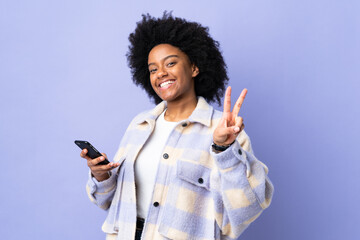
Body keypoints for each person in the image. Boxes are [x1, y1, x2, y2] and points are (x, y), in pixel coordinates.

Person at [80, 12, 274, 240]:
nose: (161, 73)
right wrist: (101, 176)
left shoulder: (224, 131)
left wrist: (224, 150)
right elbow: (108, 201)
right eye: (153, 69)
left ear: (194, 67)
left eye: (170, 63)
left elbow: (246, 208)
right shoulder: (140, 125)